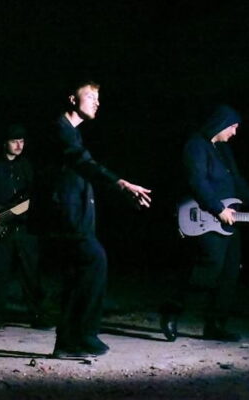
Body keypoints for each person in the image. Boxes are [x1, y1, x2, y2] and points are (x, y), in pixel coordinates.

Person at [34, 80, 152, 357]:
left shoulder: (72, 132)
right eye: (90, 96)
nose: (97, 102)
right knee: (94, 261)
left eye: (98, 98)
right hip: (66, 217)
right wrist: (121, 183)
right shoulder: (59, 129)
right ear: (72, 99)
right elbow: (81, 162)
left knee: (76, 276)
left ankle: (66, 344)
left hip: (75, 215)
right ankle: (84, 335)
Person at [160, 104, 249, 342]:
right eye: (233, 127)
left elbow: (236, 179)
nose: (234, 132)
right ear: (221, 124)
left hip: (231, 218)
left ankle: (216, 325)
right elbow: (196, 181)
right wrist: (217, 208)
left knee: (230, 271)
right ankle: (172, 308)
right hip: (207, 216)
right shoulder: (196, 145)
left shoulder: (223, 149)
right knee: (209, 268)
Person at [0, 124, 50, 332]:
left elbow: (35, 195)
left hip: (25, 229)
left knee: (31, 274)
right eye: (14, 141)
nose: (19, 145)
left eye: (22, 141)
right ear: (4, 143)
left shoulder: (27, 166)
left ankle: (37, 315)